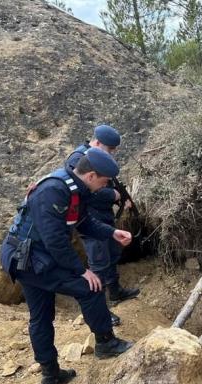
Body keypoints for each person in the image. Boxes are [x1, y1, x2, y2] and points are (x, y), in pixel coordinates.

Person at [0, 148, 133, 384]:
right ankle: (106, 343)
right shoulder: (54, 190)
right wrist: (82, 271)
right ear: (91, 175)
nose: (104, 187)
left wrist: (111, 232)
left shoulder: (73, 188)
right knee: (91, 288)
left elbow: (82, 222)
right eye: (103, 182)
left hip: (29, 257)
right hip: (31, 259)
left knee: (40, 316)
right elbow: (56, 242)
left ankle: (51, 376)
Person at [66, 125, 140, 327]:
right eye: (110, 149)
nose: (112, 153)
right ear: (97, 143)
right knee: (98, 264)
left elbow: (107, 183)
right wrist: (113, 195)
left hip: (103, 218)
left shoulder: (96, 157)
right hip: (90, 219)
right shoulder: (79, 159)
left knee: (111, 255)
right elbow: (91, 193)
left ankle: (115, 292)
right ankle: (101, 311)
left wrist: (120, 198)